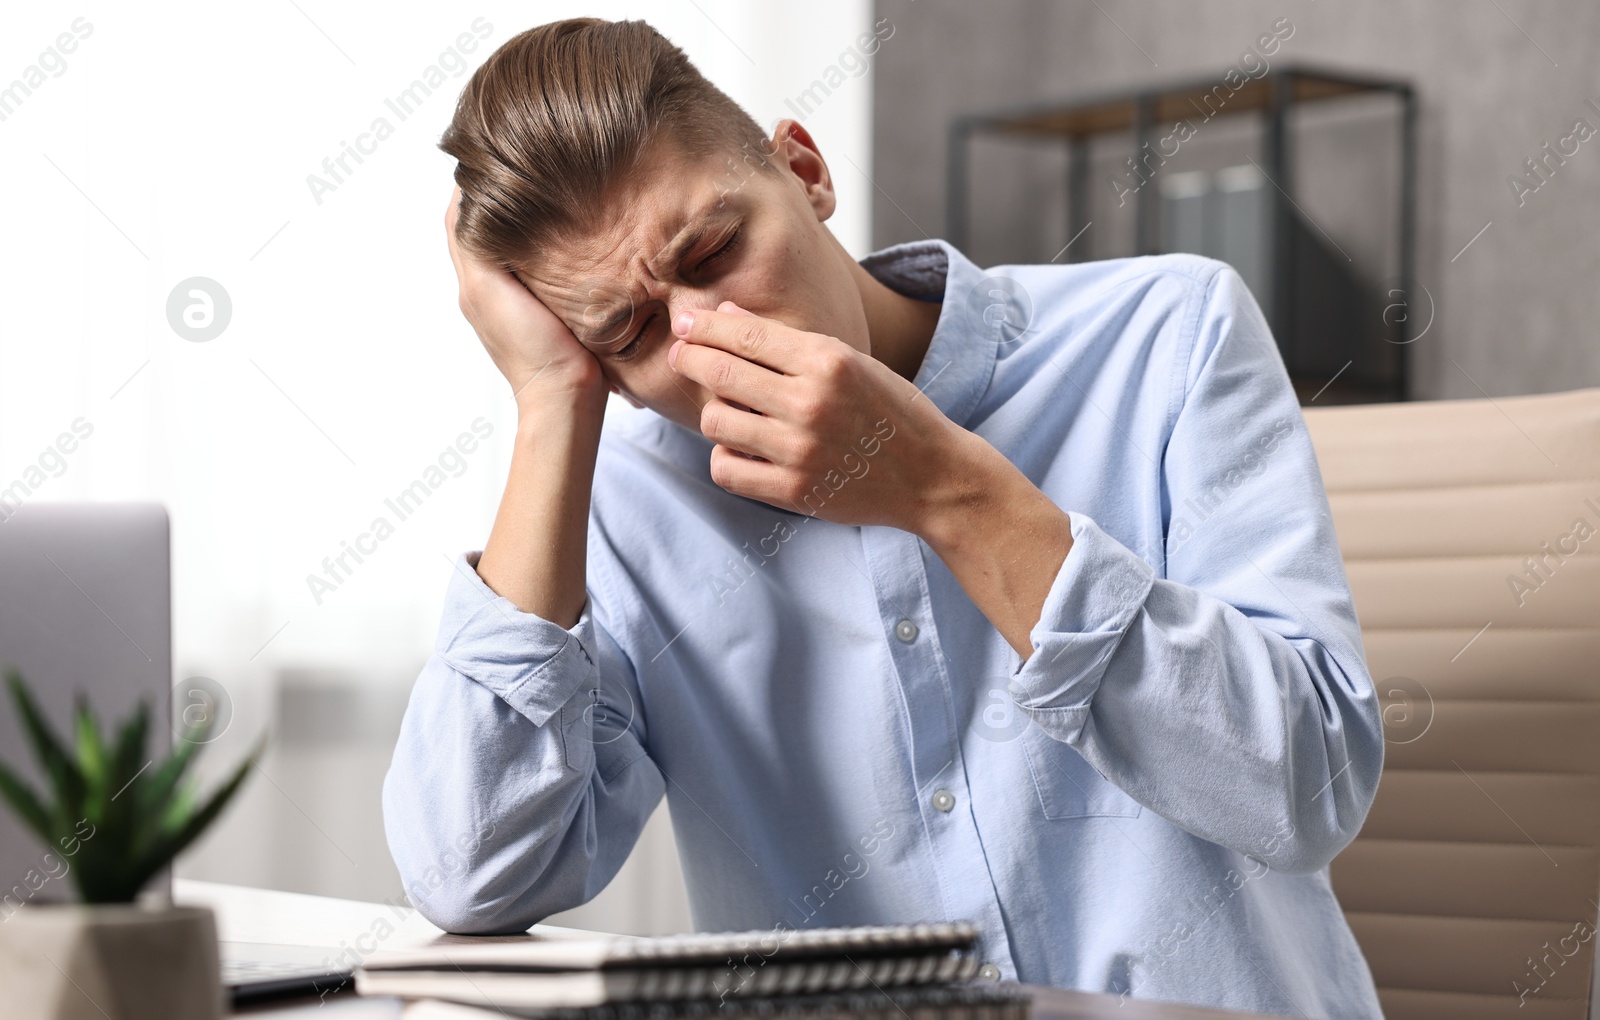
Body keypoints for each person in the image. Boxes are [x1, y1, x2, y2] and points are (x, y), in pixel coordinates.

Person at [381, 16, 1385, 1019]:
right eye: (630, 332)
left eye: (715, 250)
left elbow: (1306, 789)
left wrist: (944, 489)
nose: (702, 338)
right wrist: (553, 403)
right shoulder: (628, 501)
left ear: (805, 172)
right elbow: (475, 877)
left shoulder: (1170, 333)